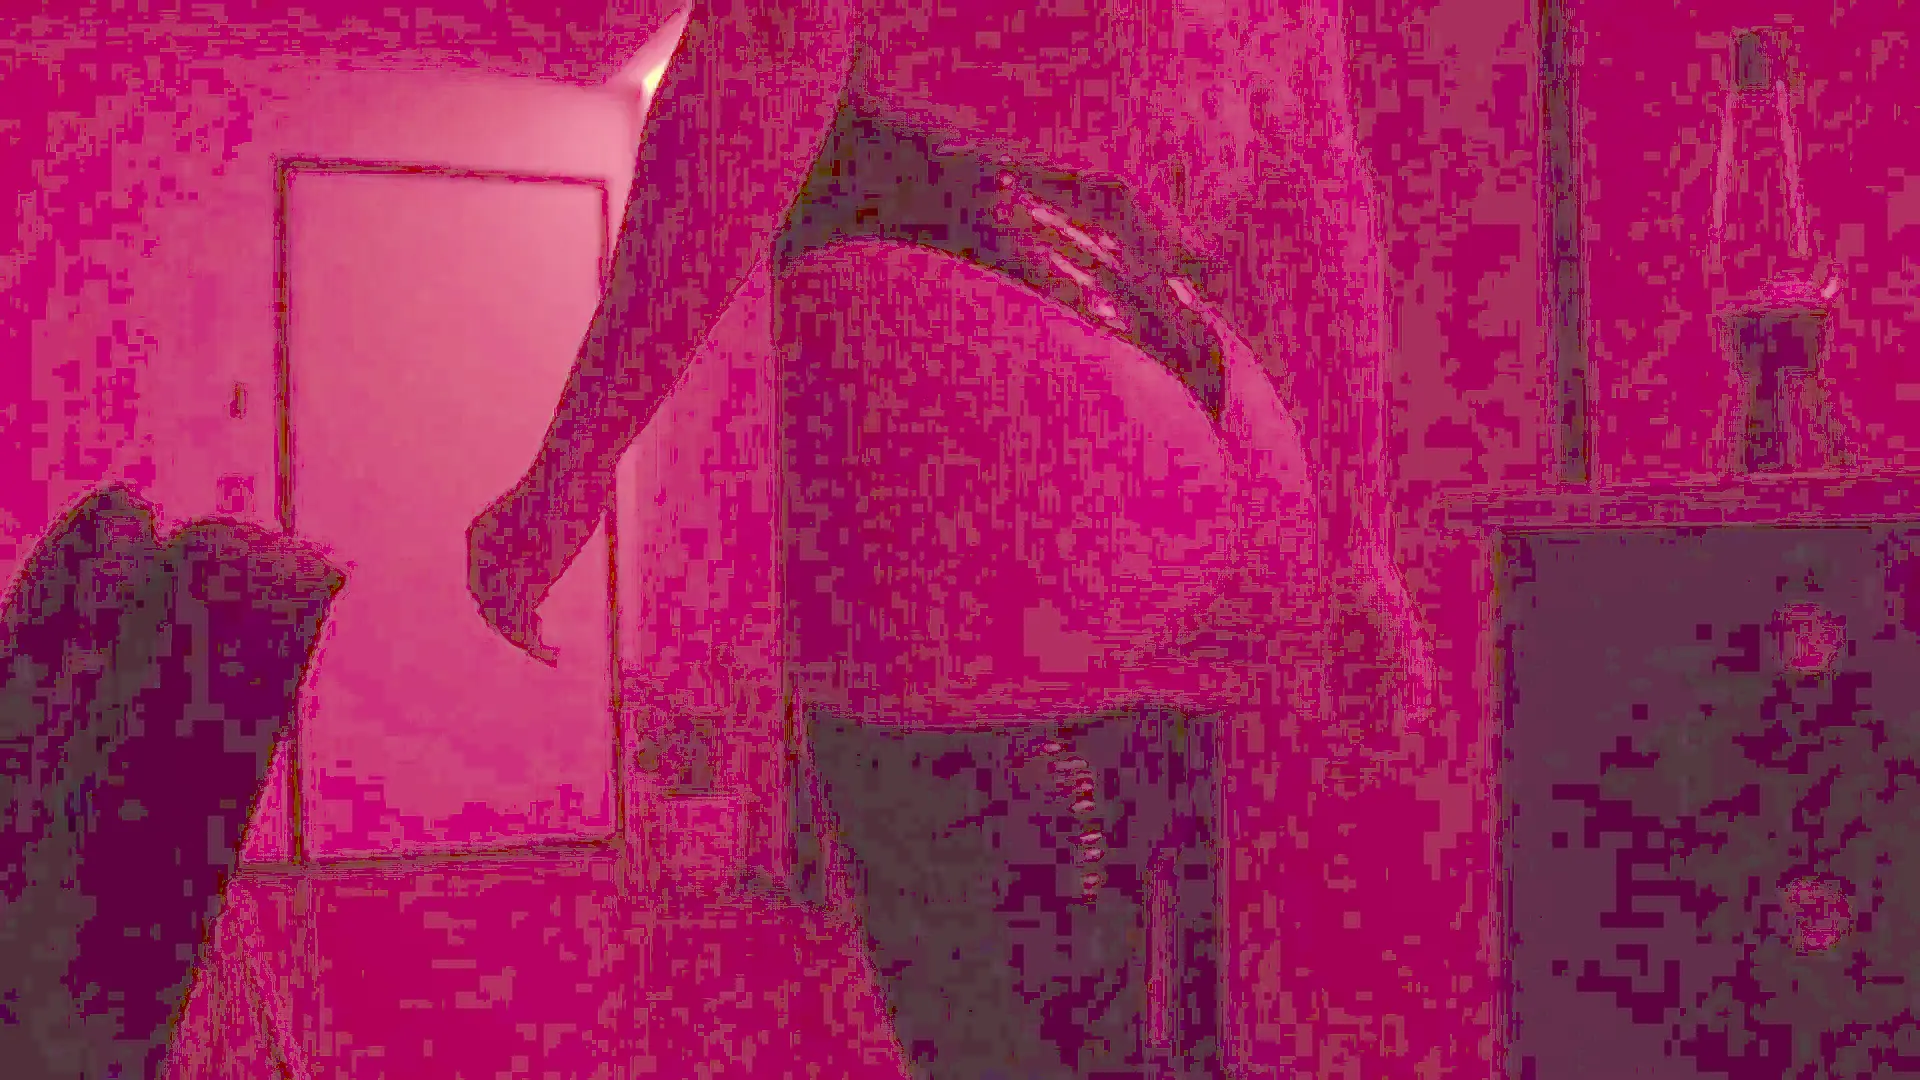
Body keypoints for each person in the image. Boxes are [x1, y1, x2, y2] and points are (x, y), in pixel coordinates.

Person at [465, 1, 1433, 1074]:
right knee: (1152, 1022)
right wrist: (1360, 538)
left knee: (1007, 1039)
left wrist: (571, 465)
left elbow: (766, 61)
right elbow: (1323, 195)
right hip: (1207, 385)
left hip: (989, 340)